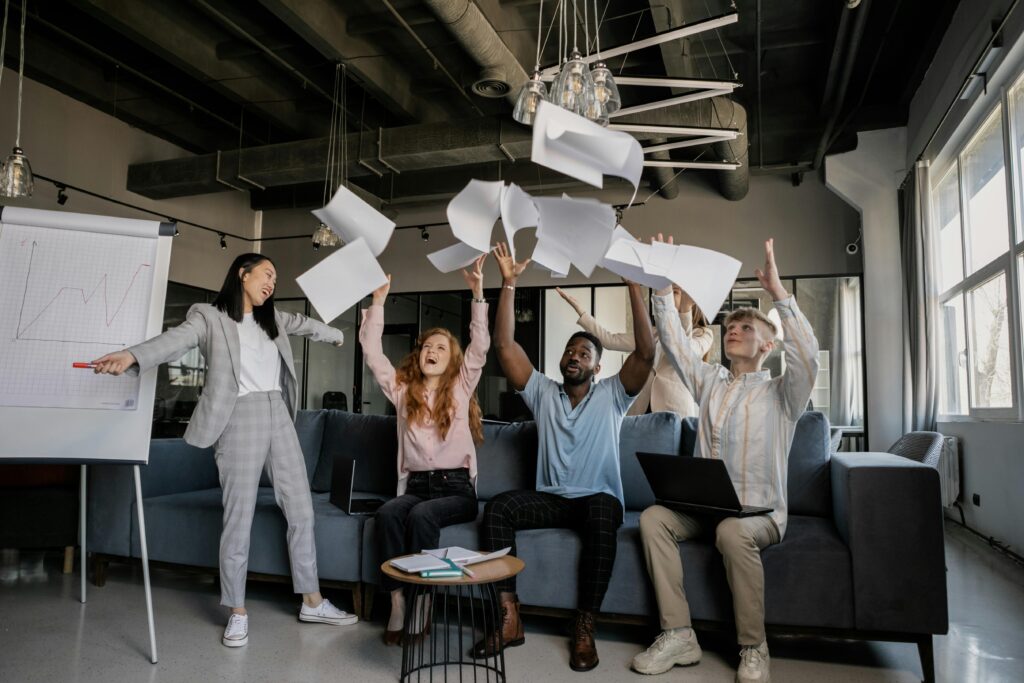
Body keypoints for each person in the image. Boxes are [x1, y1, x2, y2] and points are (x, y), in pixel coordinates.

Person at [91, 253, 358, 648]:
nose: (272, 282)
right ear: (242, 274)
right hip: (240, 418)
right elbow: (174, 341)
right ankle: (237, 610)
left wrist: (337, 334)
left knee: (301, 509)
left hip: (279, 415)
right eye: (266, 274)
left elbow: (305, 325)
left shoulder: (273, 320)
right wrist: (132, 356)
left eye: (276, 278)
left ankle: (312, 600)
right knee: (239, 515)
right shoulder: (209, 317)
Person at [632, 238, 819, 683]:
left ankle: (754, 646)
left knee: (734, 532)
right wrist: (660, 286)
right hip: (705, 510)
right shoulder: (710, 382)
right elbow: (676, 346)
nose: (733, 330)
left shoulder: (783, 394)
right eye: (730, 327)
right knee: (654, 518)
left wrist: (778, 295)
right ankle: (679, 634)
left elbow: (807, 357)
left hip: (758, 515)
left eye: (746, 329)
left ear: (768, 347)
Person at [471, 243, 655, 672]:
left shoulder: (612, 395)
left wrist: (634, 288)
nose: (574, 356)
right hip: (552, 498)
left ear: (598, 368)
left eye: (584, 354)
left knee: (605, 509)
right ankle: (509, 617)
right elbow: (503, 345)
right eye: (571, 351)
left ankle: (584, 626)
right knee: (498, 509)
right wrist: (510, 282)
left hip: (596, 500)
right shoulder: (542, 392)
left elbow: (645, 354)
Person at [359, 256, 490, 645]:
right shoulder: (402, 391)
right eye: (427, 347)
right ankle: (397, 598)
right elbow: (372, 353)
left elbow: (479, 346)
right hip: (415, 485)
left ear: (452, 361)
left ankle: (423, 600)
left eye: (441, 348)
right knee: (387, 514)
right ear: (419, 356)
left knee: (421, 517)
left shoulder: (462, 387)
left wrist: (478, 293)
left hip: (456, 490)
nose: (431, 350)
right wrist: (378, 301)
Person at [555, 285, 713, 417]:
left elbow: (682, 352)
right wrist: (580, 310)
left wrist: (684, 311)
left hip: (673, 409)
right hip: (640, 408)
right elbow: (610, 340)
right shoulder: (652, 332)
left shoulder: (703, 334)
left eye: (676, 294)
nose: (669, 298)